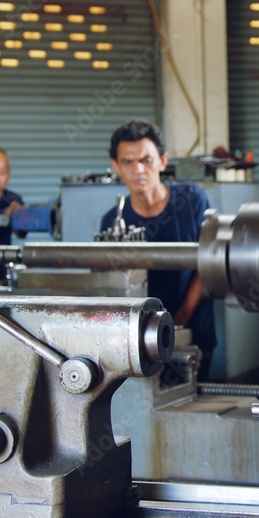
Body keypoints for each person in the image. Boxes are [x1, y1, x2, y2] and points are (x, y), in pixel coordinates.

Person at [100, 118, 217, 363]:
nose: (138, 170)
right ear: (116, 166)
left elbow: (207, 265)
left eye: (146, 160)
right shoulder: (113, 221)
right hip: (140, 342)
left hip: (193, 332)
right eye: (128, 162)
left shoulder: (191, 200)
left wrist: (177, 323)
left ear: (163, 161)